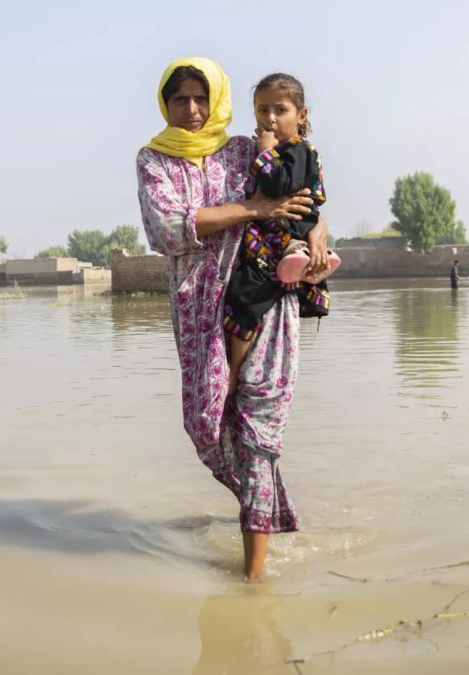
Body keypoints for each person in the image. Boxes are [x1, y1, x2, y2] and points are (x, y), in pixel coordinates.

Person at [135, 57, 330, 580]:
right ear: (166, 104)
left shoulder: (246, 149)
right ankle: (267, 512)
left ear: (216, 100)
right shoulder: (154, 160)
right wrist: (254, 210)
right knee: (206, 423)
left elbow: (302, 192)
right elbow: (168, 230)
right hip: (199, 306)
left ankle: (254, 576)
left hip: (262, 294)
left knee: (257, 431)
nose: (193, 110)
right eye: (181, 99)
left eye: (202, 98)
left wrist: (316, 234)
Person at [223, 73, 341, 397]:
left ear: (301, 115)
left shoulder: (296, 150)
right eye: (262, 111)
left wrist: (265, 152)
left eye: (280, 110)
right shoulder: (259, 150)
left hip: (285, 233)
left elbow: (276, 187)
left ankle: (233, 372)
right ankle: (298, 259)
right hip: (279, 236)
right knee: (245, 296)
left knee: (245, 296)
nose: (270, 119)